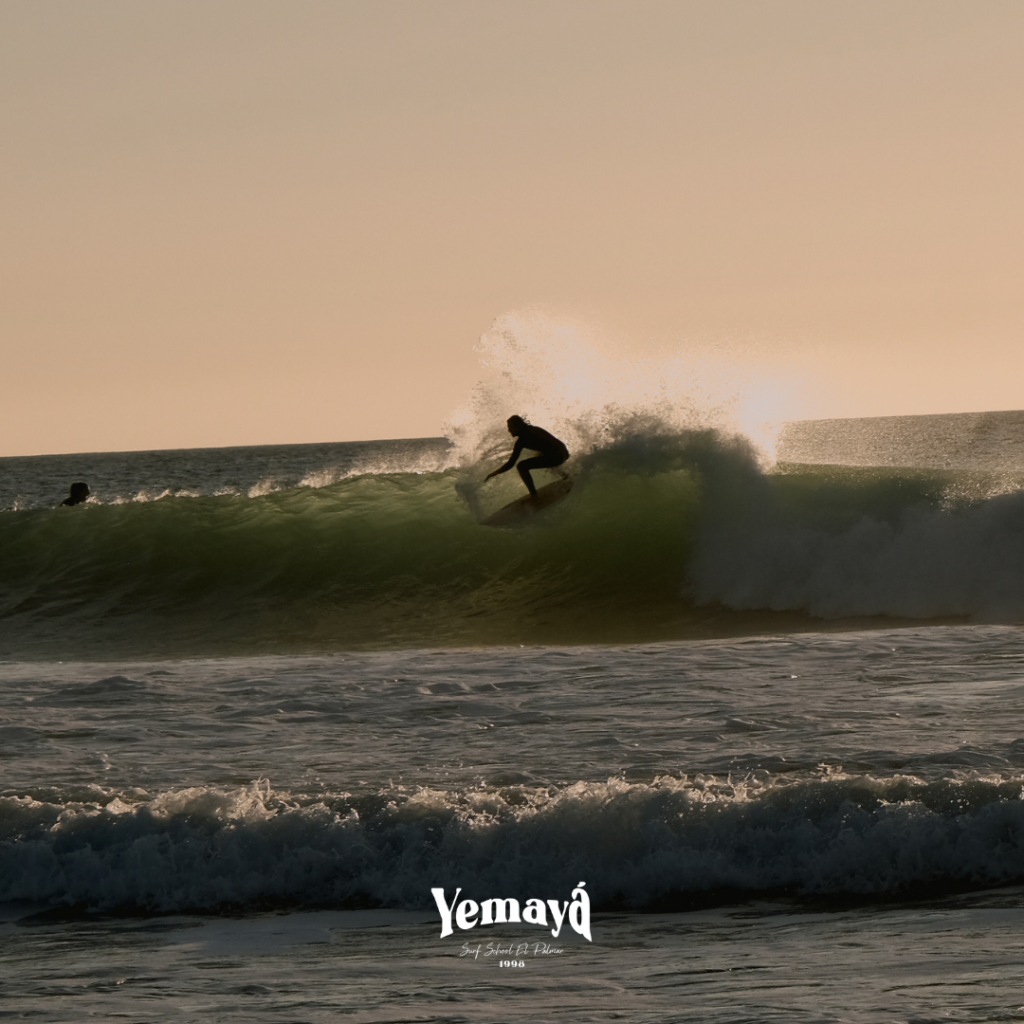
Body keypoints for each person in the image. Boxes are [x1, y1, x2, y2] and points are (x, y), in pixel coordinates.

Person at [485, 416, 569, 499]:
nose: (509, 430)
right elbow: (511, 463)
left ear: (517, 426)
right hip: (561, 454)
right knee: (540, 456)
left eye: (510, 426)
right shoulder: (527, 435)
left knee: (522, 466)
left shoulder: (529, 435)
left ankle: (534, 496)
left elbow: (511, 463)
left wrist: (492, 474)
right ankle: (565, 476)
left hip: (559, 455)